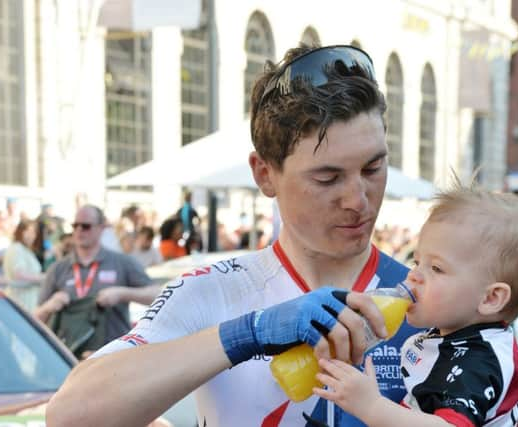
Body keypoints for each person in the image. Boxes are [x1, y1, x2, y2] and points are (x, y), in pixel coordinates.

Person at [46, 44, 420, 426]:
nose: (358, 200)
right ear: (264, 174)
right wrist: (246, 334)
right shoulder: (213, 291)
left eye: (373, 168)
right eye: (328, 178)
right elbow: (68, 415)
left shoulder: (435, 296)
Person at [312, 181, 518, 426]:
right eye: (417, 261)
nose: (414, 276)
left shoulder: (476, 362)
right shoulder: (485, 340)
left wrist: (372, 406)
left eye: (436, 268)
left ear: (490, 298)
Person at [34, 205, 161, 347]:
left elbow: (157, 295)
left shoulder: (122, 262)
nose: (79, 230)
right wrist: (49, 307)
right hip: (71, 355)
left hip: (112, 356)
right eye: (75, 226)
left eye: (85, 226)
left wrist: (123, 293)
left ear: (101, 228)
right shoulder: (58, 268)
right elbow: (35, 319)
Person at [3, 220, 45, 312]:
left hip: (29, 300)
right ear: (20, 232)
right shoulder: (16, 248)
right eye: (27, 231)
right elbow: (19, 274)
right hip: (20, 300)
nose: (31, 235)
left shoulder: (26, 250)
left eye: (33, 232)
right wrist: (44, 277)